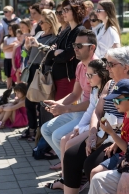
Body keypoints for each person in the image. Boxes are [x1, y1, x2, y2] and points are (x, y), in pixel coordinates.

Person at [62, 46, 129, 194]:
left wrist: (115, 140)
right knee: (71, 155)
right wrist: (92, 134)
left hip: (119, 138)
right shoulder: (110, 84)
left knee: (91, 163)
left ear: (126, 67)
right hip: (103, 133)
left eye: (111, 64)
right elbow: (97, 112)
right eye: (107, 63)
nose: (107, 68)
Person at [40, 29, 98, 169]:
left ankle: (74, 173)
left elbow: (94, 103)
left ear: (92, 47)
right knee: (45, 129)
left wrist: (65, 108)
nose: (75, 49)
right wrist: (58, 103)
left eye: (79, 46)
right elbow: (75, 94)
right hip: (78, 111)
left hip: (90, 115)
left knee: (57, 136)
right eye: (74, 45)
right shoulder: (79, 65)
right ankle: (66, 165)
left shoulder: (97, 68)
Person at [90, 79, 129, 180]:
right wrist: (116, 143)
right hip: (121, 153)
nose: (114, 104)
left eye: (117, 101)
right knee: (94, 172)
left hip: (128, 159)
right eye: (113, 100)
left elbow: (127, 149)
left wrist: (111, 133)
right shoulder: (127, 113)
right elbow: (125, 135)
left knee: (97, 176)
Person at [21, 9, 58, 141]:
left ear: (49, 22)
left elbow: (52, 53)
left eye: (42, 21)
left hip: (42, 71)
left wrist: (38, 45)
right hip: (31, 69)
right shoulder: (39, 33)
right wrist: (26, 48)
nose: (39, 24)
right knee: (29, 101)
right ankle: (31, 129)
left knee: (41, 103)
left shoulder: (55, 37)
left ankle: (40, 133)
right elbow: (24, 54)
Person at [44, 0, 86, 100]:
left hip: (68, 78)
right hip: (57, 76)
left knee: (60, 111)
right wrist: (55, 53)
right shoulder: (66, 31)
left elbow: (67, 56)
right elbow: (49, 52)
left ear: (76, 11)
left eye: (67, 10)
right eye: (63, 10)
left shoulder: (80, 31)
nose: (63, 13)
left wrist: (54, 54)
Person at [2, 23, 20, 89]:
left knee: (16, 75)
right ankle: (8, 90)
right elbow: (4, 48)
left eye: (10, 29)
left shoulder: (17, 38)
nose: (9, 31)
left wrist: (8, 47)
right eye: (8, 29)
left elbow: (14, 49)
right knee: (8, 76)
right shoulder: (6, 38)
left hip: (14, 60)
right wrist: (12, 44)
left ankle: (18, 90)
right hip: (7, 59)